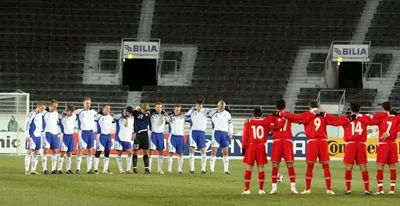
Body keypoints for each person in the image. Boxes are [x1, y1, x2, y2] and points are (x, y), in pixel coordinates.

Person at [280, 101, 336, 195]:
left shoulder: (307, 114)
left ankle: (307, 189)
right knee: (326, 166)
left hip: (312, 141)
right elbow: (334, 121)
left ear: (309, 106)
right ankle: (329, 189)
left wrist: (282, 114)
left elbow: (295, 118)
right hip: (323, 141)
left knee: (310, 166)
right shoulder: (323, 115)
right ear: (318, 106)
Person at [249, 100, 298, 194]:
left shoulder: (272, 116)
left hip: (277, 141)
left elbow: (263, 123)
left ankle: (274, 188)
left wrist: (251, 121)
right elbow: (299, 119)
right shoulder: (288, 115)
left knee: (275, 165)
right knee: (290, 165)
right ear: (284, 106)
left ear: (276, 106)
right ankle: (293, 188)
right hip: (288, 141)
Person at [330, 103, 377, 195]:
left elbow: (334, 123)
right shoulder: (364, 117)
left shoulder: (346, 118)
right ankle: (367, 189)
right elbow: (374, 121)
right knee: (363, 167)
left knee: (349, 167)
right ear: (359, 109)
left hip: (350, 144)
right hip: (361, 144)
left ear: (350, 109)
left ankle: (348, 189)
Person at [242, 108, 282, 195]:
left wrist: (243, 147)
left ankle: (247, 189)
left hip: (251, 146)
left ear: (253, 114)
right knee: (261, 168)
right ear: (261, 115)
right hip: (261, 146)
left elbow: (245, 136)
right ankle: (261, 189)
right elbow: (272, 130)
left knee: (249, 167)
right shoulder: (265, 123)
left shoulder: (249, 123)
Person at [371, 102, 400, 195]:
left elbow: (374, 117)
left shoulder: (381, 117)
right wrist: (390, 133)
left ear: (383, 108)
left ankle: (380, 190)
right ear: (390, 108)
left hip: (383, 143)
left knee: (380, 166)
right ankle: (392, 189)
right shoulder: (397, 117)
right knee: (392, 166)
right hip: (393, 143)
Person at [185, 99, 215, 174]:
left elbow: (214, 111)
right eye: (197, 106)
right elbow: (185, 116)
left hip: (201, 133)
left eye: (200, 106)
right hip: (193, 132)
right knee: (192, 150)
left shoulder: (205, 112)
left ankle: (203, 169)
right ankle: (192, 169)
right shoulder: (193, 112)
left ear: (202, 106)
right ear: (196, 106)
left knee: (203, 150)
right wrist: (191, 109)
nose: (199, 107)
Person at [209, 100, 233, 175]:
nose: (222, 107)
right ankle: (212, 169)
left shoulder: (227, 114)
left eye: (223, 106)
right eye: (220, 105)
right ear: (217, 105)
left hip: (225, 134)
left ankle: (226, 170)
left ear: (224, 106)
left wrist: (231, 133)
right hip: (216, 133)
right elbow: (204, 112)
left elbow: (230, 124)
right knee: (214, 151)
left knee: (225, 152)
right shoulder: (213, 113)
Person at [75, 97, 98, 174]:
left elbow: (99, 116)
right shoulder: (79, 111)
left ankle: (89, 169)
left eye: (89, 103)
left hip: (91, 132)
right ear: (83, 103)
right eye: (87, 103)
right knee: (81, 150)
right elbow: (70, 113)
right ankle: (78, 168)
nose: (88, 105)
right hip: (83, 132)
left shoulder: (93, 112)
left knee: (90, 150)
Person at [24, 102, 46, 175]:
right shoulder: (32, 113)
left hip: (38, 136)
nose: (43, 110)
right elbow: (27, 124)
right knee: (29, 152)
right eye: (42, 108)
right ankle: (27, 170)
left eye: (44, 108)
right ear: (38, 106)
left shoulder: (41, 114)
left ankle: (33, 169)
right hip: (31, 135)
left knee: (36, 152)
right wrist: (27, 135)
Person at [149, 102, 169, 174]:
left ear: (162, 108)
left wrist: (166, 114)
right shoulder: (151, 114)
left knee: (160, 151)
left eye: (160, 107)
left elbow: (169, 121)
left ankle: (159, 169)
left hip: (160, 134)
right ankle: (149, 168)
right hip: (153, 134)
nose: (159, 109)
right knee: (151, 151)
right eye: (157, 107)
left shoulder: (164, 115)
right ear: (155, 108)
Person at [94, 104, 114, 175]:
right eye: (106, 108)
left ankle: (105, 169)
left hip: (108, 136)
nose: (108, 110)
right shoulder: (98, 116)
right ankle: (95, 169)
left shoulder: (110, 117)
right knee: (98, 152)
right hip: (101, 136)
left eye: (109, 108)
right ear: (103, 109)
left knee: (107, 152)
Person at [114, 106, 135, 174]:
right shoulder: (119, 116)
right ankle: (121, 169)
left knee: (130, 153)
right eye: (129, 113)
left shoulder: (132, 118)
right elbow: (111, 115)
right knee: (119, 153)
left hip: (127, 139)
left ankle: (128, 169)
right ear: (126, 112)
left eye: (131, 113)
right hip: (119, 138)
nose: (130, 115)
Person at [42, 99, 60, 174]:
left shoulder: (56, 113)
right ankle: (45, 169)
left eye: (56, 107)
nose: (55, 108)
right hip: (47, 133)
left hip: (55, 134)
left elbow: (57, 123)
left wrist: (58, 132)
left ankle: (53, 169)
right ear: (50, 105)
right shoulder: (44, 112)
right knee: (46, 150)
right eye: (54, 106)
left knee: (55, 151)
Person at [132, 104, 151, 174]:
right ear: (141, 109)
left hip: (145, 135)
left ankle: (146, 169)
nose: (146, 111)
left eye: (147, 110)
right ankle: (134, 168)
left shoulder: (148, 113)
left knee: (146, 151)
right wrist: (137, 109)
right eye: (144, 110)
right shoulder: (136, 113)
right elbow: (128, 111)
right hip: (137, 135)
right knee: (135, 151)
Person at [58, 104, 77, 174]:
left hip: (71, 136)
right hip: (64, 136)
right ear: (67, 111)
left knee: (69, 153)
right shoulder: (62, 117)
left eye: (72, 111)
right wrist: (63, 113)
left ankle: (68, 169)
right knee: (63, 153)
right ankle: (59, 169)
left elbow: (77, 114)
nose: (71, 113)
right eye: (70, 112)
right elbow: (59, 117)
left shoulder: (74, 116)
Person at [167, 105, 186, 174]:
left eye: (179, 110)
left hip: (180, 137)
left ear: (180, 110)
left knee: (180, 153)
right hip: (173, 137)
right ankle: (169, 169)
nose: (177, 111)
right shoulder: (170, 117)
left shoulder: (183, 117)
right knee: (171, 153)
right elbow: (164, 121)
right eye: (176, 110)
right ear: (174, 109)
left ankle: (179, 169)